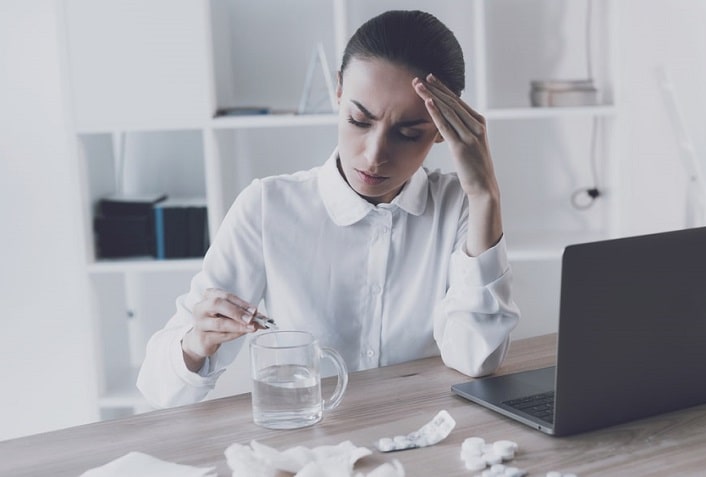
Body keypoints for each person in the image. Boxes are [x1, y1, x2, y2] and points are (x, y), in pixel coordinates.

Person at [137, 10, 520, 408]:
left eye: (408, 133)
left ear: (444, 130)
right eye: (358, 119)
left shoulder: (459, 206)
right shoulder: (267, 207)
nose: (374, 156)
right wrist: (196, 342)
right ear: (338, 92)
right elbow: (159, 386)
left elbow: (477, 356)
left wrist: (485, 196)